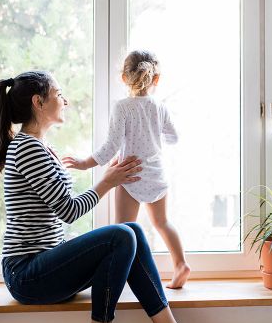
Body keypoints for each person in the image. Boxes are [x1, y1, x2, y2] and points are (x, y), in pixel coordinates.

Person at [0, 70, 220, 323]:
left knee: (132, 232)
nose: (65, 100)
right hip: (27, 275)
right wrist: (108, 181)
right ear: (39, 102)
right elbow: (69, 210)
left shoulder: (40, 147)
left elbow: (57, 209)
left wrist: (108, 177)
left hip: (42, 265)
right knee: (121, 234)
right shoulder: (28, 149)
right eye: (59, 94)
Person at [65, 50, 190, 289]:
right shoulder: (159, 107)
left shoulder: (122, 107)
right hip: (157, 174)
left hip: (129, 174)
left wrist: (84, 163)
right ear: (156, 79)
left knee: (122, 231)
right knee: (162, 223)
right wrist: (154, 137)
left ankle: (122, 277)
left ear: (124, 78)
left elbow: (111, 146)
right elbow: (174, 137)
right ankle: (181, 264)